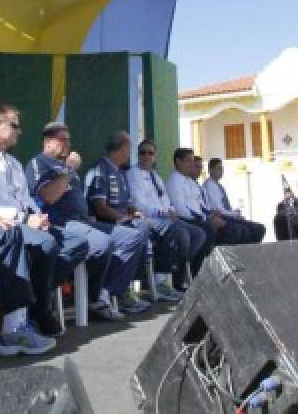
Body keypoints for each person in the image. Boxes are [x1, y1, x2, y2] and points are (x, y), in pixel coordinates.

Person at [25, 122, 149, 321]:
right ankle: (94, 298)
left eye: (69, 139)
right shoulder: (39, 163)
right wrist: (69, 170)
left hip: (83, 222)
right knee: (103, 243)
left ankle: (104, 293)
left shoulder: (65, 167)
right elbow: (48, 196)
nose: (68, 143)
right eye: (63, 139)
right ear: (48, 142)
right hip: (59, 223)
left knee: (132, 236)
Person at [0, 102, 66, 340]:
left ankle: (33, 303)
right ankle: (35, 311)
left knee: (69, 241)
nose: (20, 131)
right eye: (15, 126)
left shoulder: (15, 164)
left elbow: (25, 199)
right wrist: (25, 219)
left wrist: (37, 216)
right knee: (47, 244)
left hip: (23, 224)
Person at [87, 131, 181, 314]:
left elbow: (129, 204)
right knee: (141, 231)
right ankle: (118, 292)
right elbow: (100, 207)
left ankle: (127, 291)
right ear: (122, 149)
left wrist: (136, 214)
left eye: (150, 153)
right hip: (108, 224)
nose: (133, 154)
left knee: (145, 228)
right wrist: (123, 218)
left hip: (127, 221)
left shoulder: (120, 172)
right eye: (132, 149)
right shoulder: (101, 170)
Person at [127, 138, 199, 297]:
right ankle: (161, 281)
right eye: (143, 153)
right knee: (183, 235)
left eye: (150, 153)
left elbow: (165, 199)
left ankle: (178, 272)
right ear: (138, 155)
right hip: (148, 219)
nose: (146, 156)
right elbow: (139, 204)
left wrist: (171, 210)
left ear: (155, 157)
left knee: (199, 234)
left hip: (166, 218)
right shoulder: (133, 174)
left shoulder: (156, 177)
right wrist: (162, 213)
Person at [166, 148, 219, 277]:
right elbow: (180, 208)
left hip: (197, 217)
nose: (192, 164)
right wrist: (203, 218)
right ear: (178, 162)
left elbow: (199, 204)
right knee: (207, 230)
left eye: (192, 161)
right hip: (185, 218)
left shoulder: (188, 181)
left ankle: (200, 270)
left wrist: (208, 215)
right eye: (188, 161)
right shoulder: (174, 181)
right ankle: (190, 272)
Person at [203, 158, 266, 244]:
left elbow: (225, 208)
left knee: (259, 228)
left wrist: (235, 213)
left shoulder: (218, 185)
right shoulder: (210, 186)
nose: (221, 171)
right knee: (249, 230)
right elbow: (219, 210)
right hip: (220, 217)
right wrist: (234, 214)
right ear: (210, 170)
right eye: (218, 168)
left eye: (222, 168)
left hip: (226, 215)